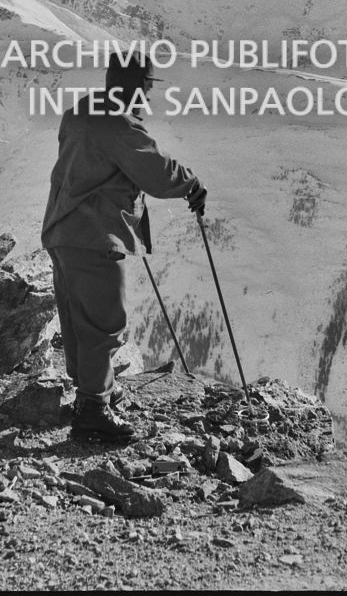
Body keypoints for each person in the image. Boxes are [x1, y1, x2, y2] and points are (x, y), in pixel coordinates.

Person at [41, 49, 207, 439]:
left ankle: (94, 393)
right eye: (147, 86)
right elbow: (154, 169)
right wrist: (191, 185)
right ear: (135, 85)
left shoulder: (81, 110)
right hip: (96, 234)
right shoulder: (118, 122)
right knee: (105, 322)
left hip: (63, 232)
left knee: (78, 318)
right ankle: (93, 412)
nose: (148, 96)